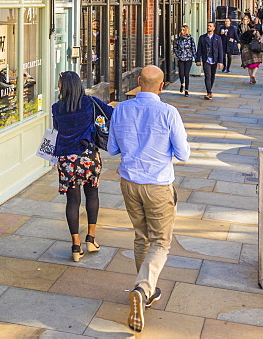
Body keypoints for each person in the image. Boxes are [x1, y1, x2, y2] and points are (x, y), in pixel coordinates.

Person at [108, 66, 190, 332]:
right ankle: (143, 289)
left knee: (141, 237)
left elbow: (111, 148)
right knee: (161, 242)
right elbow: (183, 153)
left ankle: (144, 293)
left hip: (129, 183)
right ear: (161, 86)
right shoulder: (168, 112)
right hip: (157, 186)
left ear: (139, 83)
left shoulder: (121, 109)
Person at [51, 71, 114, 262]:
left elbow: (57, 130)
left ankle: (75, 246)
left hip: (67, 159)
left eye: (60, 83)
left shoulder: (57, 108)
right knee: (92, 195)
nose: (59, 86)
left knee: (73, 201)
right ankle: (91, 239)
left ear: (64, 86)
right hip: (88, 157)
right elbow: (111, 114)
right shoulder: (90, 103)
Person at [195, 22, 225, 100]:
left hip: (214, 59)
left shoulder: (217, 38)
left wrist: (220, 62)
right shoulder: (202, 38)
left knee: (212, 76)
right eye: (208, 26)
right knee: (207, 76)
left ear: (214, 28)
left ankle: (209, 89)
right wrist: (198, 60)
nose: (208, 27)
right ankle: (209, 92)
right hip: (206, 59)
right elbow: (199, 50)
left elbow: (220, 50)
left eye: (210, 26)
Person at [238, 14, 263, 84]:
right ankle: (253, 75)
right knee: (256, 64)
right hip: (254, 49)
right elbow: (259, 39)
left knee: (249, 66)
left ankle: (250, 78)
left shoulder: (245, 33)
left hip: (245, 49)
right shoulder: (255, 32)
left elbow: (241, 39)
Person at [172, 25, 197, 96]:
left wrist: (196, 58)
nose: (182, 31)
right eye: (181, 30)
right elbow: (175, 48)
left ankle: (186, 90)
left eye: (183, 30)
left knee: (186, 74)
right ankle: (182, 83)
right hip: (181, 58)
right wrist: (178, 54)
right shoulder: (178, 39)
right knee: (181, 73)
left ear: (186, 31)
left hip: (188, 58)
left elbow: (193, 49)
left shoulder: (190, 39)